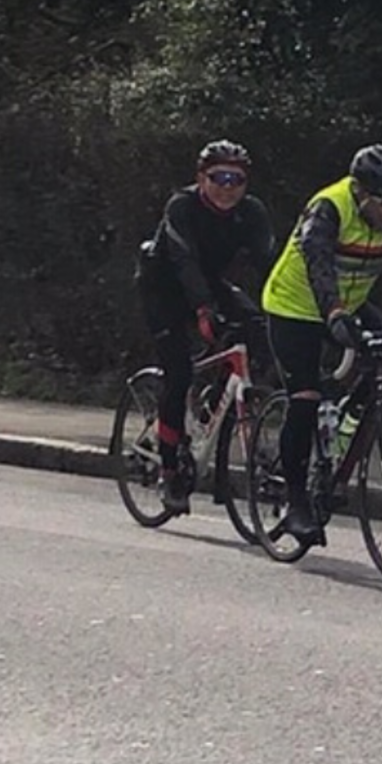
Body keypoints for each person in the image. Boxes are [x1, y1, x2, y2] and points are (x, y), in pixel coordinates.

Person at [259, 143, 382, 545]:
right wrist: (334, 313)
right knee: (304, 399)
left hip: (351, 303)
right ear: (360, 192)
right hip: (295, 307)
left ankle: (346, 425)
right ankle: (296, 505)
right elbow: (318, 264)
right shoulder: (329, 207)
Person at [135, 139, 274, 515]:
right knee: (178, 374)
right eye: (219, 178)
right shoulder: (182, 206)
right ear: (201, 179)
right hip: (165, 288)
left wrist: (286, 310)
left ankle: (213, 409)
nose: (228, 188)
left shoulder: (252, 212)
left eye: (236, 180)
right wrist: (202, 309)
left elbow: (269, 264)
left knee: (255, 329)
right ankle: (169, 470)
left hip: (211, 285)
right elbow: (183, 260)